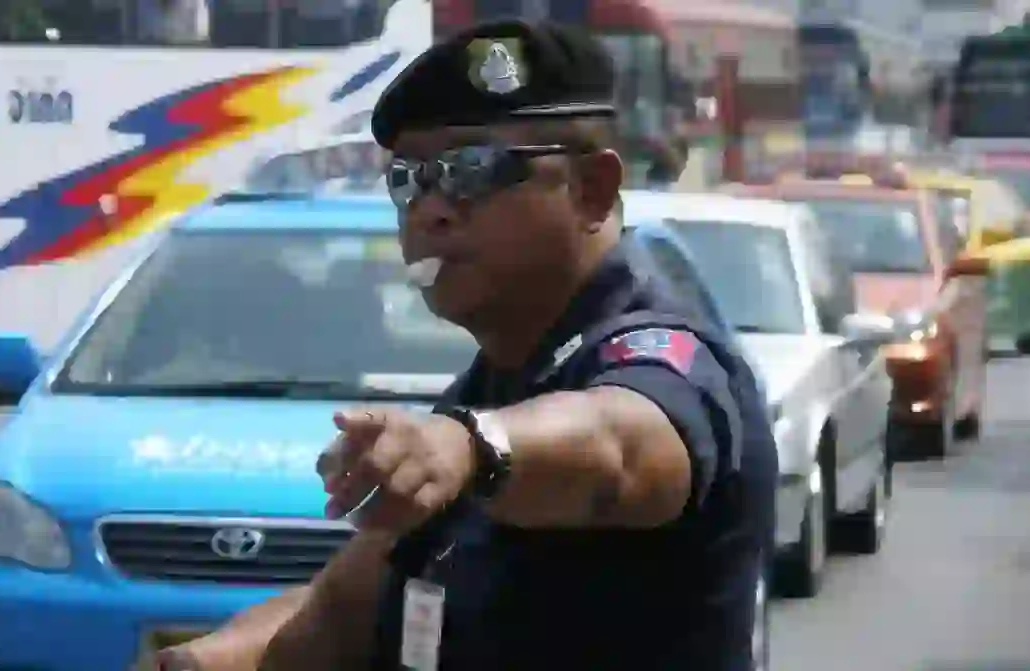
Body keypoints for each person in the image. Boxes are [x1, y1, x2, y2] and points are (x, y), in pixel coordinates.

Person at [157, 19, 777, 671]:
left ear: (590, 190)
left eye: (470, 169)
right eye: (408, 178)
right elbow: (340, 611)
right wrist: (203, 662)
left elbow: (617, 448)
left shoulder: (661, 352)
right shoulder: (494, 385)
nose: (430, 209)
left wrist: (470, 448)